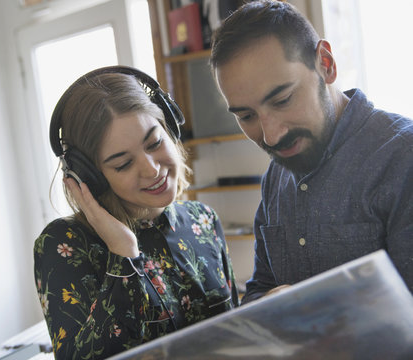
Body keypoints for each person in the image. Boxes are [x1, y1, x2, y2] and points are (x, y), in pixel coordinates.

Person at [210, 0, 413, 304]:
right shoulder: (276, 177)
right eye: (246, 116)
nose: (271, 135)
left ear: (326, 64)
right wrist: (267, 305)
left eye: (282, 100)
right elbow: (259, 289)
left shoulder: (403, 157)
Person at [33, 66, 239, 359]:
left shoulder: (202, 220)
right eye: (123, 164)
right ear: (90, 177)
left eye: (154, 143)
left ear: (169, 130)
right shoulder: (64, 245)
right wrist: (123, 253)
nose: (152, 169)